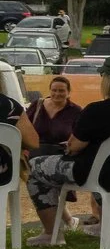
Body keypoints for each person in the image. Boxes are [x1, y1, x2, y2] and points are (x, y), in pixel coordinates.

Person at [28, 54, 110, 240]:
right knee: (104, 162)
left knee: (35, 167)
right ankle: (106, 226)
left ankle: (52, 233)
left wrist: (73, 146)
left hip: (99, 174)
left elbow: (74, 147)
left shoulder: (96, 110)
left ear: (107, 80)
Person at [21, 72, 82, 239]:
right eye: (54, 90)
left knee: (52, 188)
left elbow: (79, 135)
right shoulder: (38, 105)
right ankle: (64, 224)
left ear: (68, 92)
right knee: (46, 187)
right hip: (35, 152)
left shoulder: (76, 111)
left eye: (61, 90)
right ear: (49, 90)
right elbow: (25, 127)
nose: (57, 94)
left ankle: (59, 228)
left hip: (60, 155)